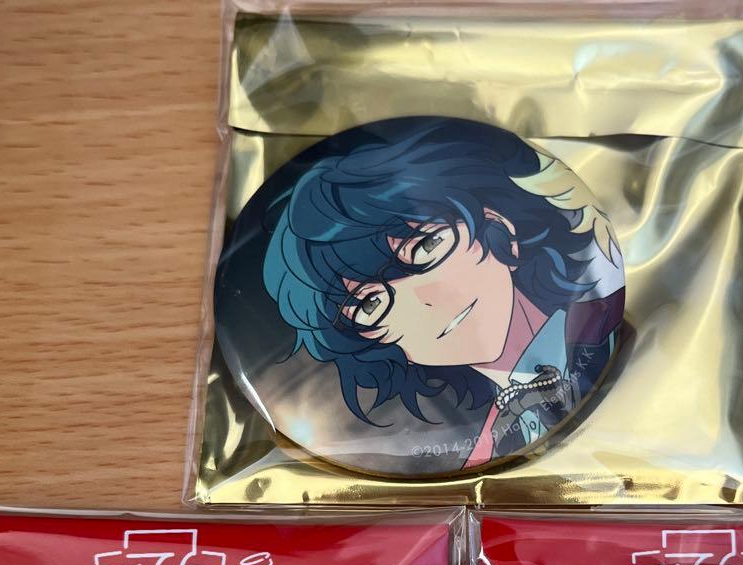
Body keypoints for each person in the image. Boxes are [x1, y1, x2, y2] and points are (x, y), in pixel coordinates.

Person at [261, 117, 624, 467]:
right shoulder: (481, 451)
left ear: (499, 229)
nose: (424, 303)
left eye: (426, 247)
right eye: (371, 304)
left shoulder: (608, 330)